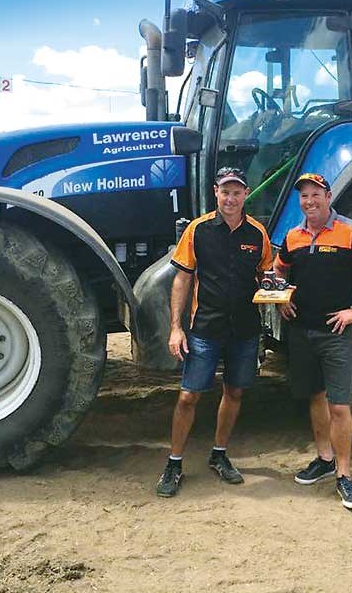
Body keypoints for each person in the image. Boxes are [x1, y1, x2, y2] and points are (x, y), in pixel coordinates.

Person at [274, 173, 352, 510]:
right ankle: (324, 459)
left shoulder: (350, 232)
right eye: (304, 197)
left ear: (328, 196)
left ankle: (344, 475)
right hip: (301, 331)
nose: (309, 202)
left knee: (339, 405)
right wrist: (281, 298)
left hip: (335, 334)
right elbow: (278, 270)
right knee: (315, 396)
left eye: (315, 195)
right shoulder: (293, 237)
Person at [156, 167, 273, 498]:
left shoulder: (257, 233)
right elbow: (182, 279)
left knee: (234, 393)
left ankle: (219, 455)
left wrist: (278, 296)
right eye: (225, 191)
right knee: (188, 396)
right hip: (205, 328)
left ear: (246, 193)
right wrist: (176, 328)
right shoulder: (198, 230)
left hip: (245, 330)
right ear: (216, 193)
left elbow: (266, 277)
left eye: (237, 192)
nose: (231, 198)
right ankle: (174, 462)